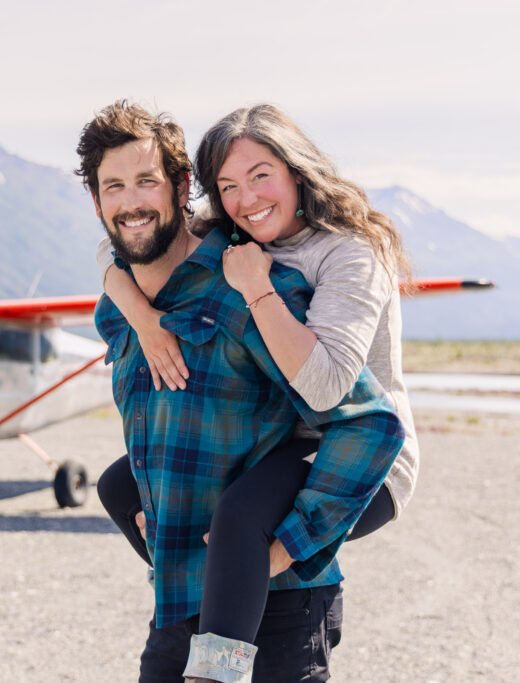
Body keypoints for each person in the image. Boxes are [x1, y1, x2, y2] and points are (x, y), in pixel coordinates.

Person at [79, 100, 404, 682]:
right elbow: (118, 244)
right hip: (188, 600)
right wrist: (142, 317)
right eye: (229, 185)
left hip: (348, 460)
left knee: (240, 516)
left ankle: (216, 673)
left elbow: (350, 406)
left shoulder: (333, 258)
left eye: (261, 177)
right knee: (117, 483)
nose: (248, 198)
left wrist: (282, 551)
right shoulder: (224, 242)